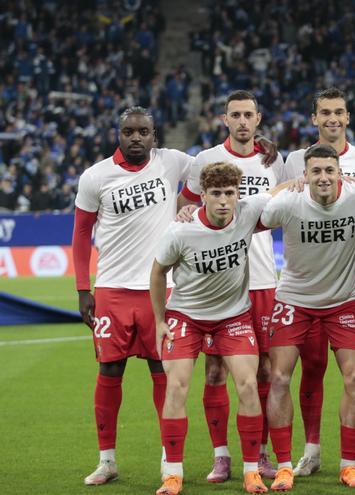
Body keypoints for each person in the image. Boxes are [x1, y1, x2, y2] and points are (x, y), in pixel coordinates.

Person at [73, 107, 193, 485]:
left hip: (161, 292)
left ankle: (168, 460)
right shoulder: (95, 176)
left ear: (154, 135)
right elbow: (80, 235)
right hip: (112, 290)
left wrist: (260, 146)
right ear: (119, 134)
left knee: (165, 374)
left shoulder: (171, 162)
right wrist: (82, 289)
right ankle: (106, 461)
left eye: (143, 131)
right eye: (129, 131)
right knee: (110, 371)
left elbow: (212, 165)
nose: (136, 137)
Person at [150, 162, 286, 495]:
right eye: (216, 194)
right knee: (177, 387)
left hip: (234, 317)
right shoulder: (181, 231)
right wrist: (159, 321)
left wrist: (299, 179)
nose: (224, 201)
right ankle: (173, 472)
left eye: (229, 193)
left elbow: (276, 193)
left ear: (237, 194)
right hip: (186, 316)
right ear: (204, 196)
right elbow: (157, 273)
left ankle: (252, 471)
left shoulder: (247, 210)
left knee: (248, 386)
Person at [260, 144, 355, 490]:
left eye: (330, 170)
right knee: (280, 379)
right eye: (316, 171)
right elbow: (252, 211)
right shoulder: (289, 202)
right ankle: (285, 465)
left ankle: (348, 464)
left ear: (340, 171)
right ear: (306, 174)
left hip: (343, 302)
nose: (324, 177)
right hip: (295, 302)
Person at [179, 90, 283, 482]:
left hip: (263, 281)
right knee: (214, 372)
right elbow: (184, 206)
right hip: (218, 286)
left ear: (258, 120)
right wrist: (187, 209)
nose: (242, 121)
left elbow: (289, 202)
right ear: (225, 119)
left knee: (266, 372)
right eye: (235, 114)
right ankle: (221, 456)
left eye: (248, 115)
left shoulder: (276, 160)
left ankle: (261, 453)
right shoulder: (205, 160)